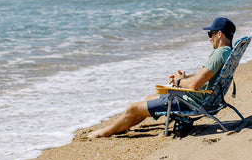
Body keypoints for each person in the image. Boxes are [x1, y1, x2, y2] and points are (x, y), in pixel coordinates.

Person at [88, 17, 236, 138]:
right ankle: (121, 127)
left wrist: (179, 81)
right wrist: (186, 77)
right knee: (148, 98)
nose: (209, 38)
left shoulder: (218, 53)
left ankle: (104, 132)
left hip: (191, 102)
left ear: (219, 34)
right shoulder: (227, 52)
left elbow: (194, 85)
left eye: (210, 34)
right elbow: (208, 76)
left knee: (132, 108)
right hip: (207, 99)